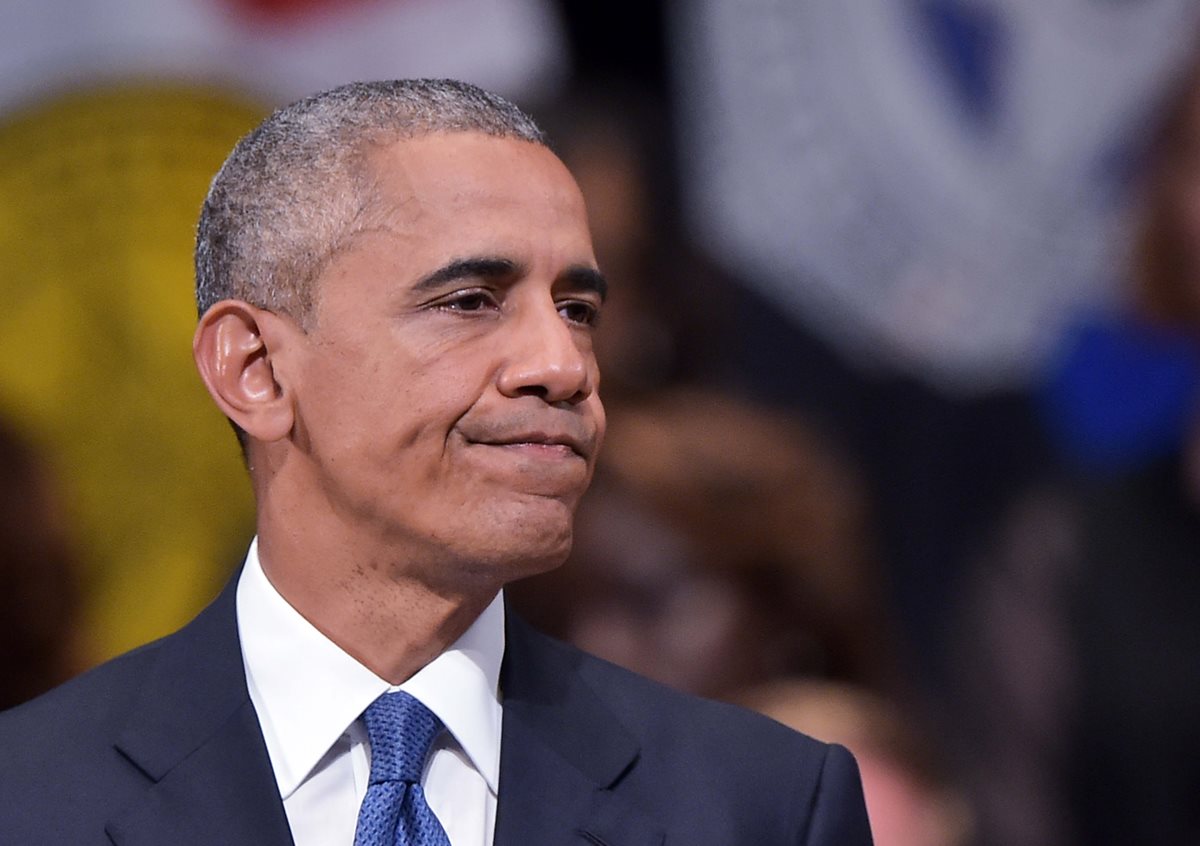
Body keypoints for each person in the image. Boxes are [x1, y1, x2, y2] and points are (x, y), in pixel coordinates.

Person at [0, 79, 872, 845]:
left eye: (577, 309)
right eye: (470, 302)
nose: (564, 367)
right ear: (256, 370)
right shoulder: (27, 801)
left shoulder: (762, 808)